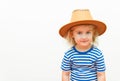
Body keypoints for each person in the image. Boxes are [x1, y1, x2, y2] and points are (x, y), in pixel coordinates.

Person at [59, 9, 107, 81]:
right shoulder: (69, 54)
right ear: (72, 34)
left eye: (88, 32)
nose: (84, 37)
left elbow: (101, 75)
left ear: (93, 34)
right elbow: (65, 74)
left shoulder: (97, 54)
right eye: (79, 33)